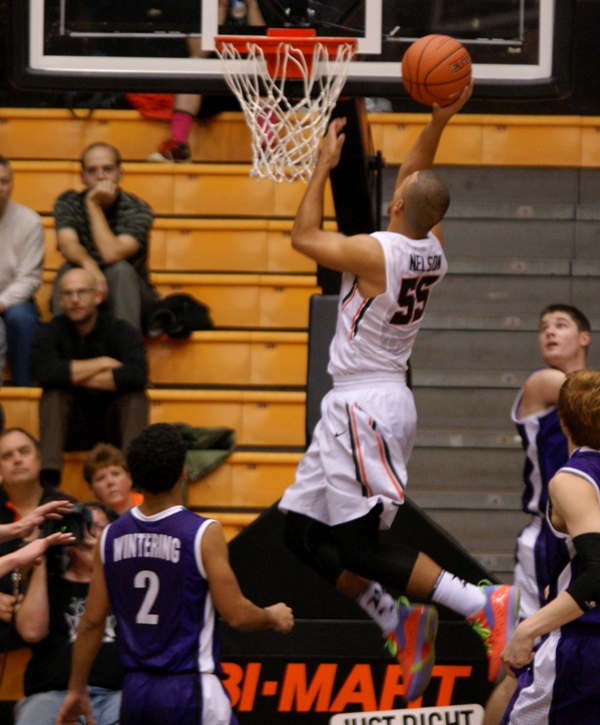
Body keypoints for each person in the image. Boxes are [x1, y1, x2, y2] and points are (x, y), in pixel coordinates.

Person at [278, 83, 519, 700]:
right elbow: (417, 176)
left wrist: (321, 167)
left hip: (364, 406)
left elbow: (303, 237)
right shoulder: (432, 249)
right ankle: (398, 620)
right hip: (370, 398)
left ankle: (480, 602)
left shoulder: (375, 254)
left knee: (359, 548)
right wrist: (438, 121)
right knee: (300, 532)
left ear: (397, 206)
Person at [56, 423, 293, 725]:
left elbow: (90, 624)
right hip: (189, 687)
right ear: (183, 471)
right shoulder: (202, 532)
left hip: (136, 692)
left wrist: (76, 688)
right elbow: (237, 615)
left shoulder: (110, 537)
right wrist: (273, 616)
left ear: (134, 478)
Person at [483, 303, 590, 724]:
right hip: (548, 535)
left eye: (561, 325)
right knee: (525, 661)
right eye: (543, 326)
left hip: (585, 525)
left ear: (585, 338)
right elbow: (581, 393)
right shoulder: (545, 382)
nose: (549, 332)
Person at [501, 368, 600, 723]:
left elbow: (598, 574)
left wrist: (528, 629)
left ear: (561, 421)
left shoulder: (573, 479)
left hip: (582, 649)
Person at [31, 267, 149, 487]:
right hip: (71, 427)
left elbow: (136, 375)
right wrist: (102, 363)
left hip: (114, 426)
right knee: (53, 393)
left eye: (82, 292)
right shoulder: (49, 332)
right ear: (60, 300)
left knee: (135, 396)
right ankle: (49, 479)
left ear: (98, 296)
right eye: (68, 294)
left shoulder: (121, 330)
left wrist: (71, 376)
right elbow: (44, 374)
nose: (75, 300)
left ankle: (134, 478)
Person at [14, 501, 122, 725]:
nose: (90, 536)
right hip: (53, 695)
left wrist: (105, 559)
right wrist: (41, 559)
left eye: (99, 528)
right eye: (82, 527)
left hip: (117, 693)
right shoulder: (49, 583)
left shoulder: (126, 582)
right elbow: (31, 632)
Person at [52, 141, 160, 331]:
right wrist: (89, 265)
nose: (100, 176)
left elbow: (112, 254)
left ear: (120, 174)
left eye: (107, 169)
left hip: (131, 295)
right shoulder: (69, 202)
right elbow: (67, 244)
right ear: (83, 177)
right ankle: (60, 347)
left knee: (120, 270)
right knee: (68, 271)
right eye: (92, 171)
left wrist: (93, 205)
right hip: (85, 287)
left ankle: (127, 347)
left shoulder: (138, 209)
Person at [148, 0, 265, 162]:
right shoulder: (200, 7)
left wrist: (252, 6)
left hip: (248, 91)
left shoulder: (265, 7)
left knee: (263, 71)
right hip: (209, 92)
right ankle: (178, 145)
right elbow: (198, 52)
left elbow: (264, 51)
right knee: (194, 67)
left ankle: (267, 146)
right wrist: (221, 9)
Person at [0, 427, 76, 649]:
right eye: (7, 455)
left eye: (24, 451)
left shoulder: (66, 508)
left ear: (39, 458)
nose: (17, 460)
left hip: (54, 634)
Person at [0, 155, 44, 386]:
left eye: (4, 181)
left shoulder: (29, 221)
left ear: (12, 184)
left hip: (15, 299)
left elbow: (28, 279)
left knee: (21, 319)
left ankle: (24, 389)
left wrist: (2, 302)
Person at [83, 442, 142, 514]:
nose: (110, 482)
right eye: (101, 478)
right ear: (92, 489)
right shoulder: (91, 517)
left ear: (129, 478)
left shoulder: (149, 505)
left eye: (116, 474)